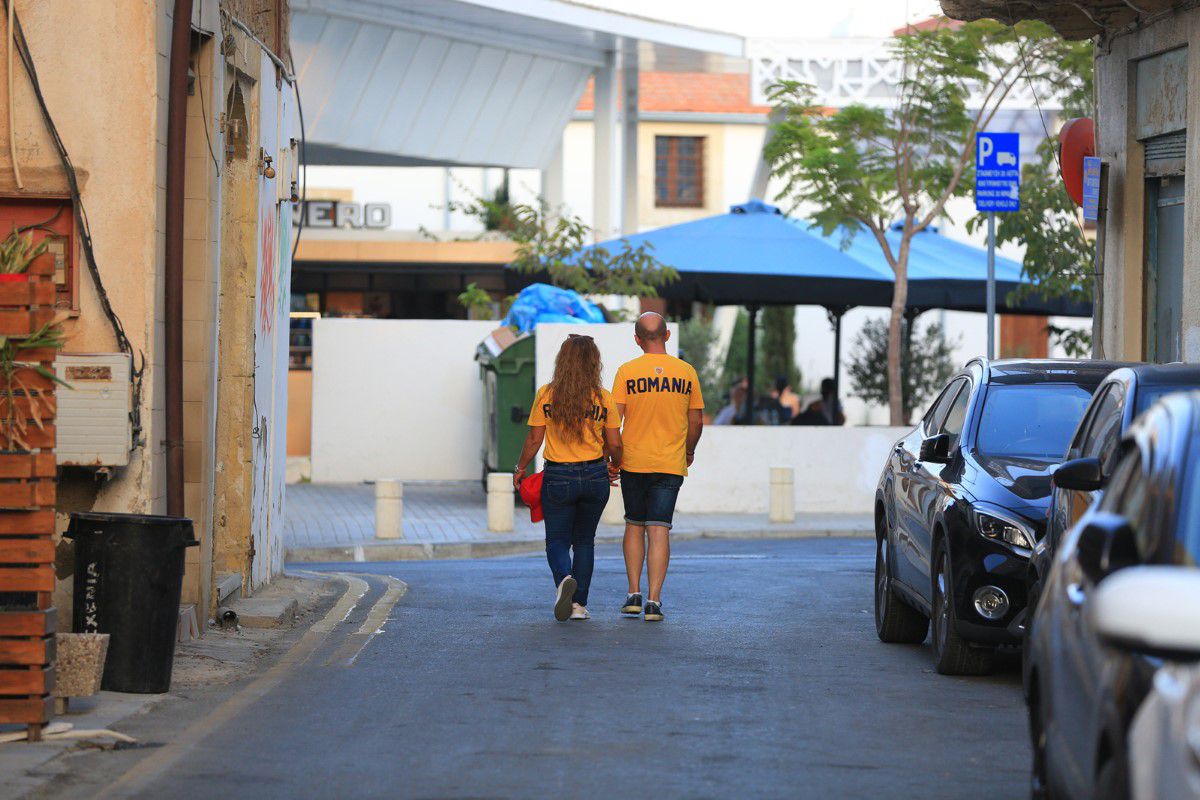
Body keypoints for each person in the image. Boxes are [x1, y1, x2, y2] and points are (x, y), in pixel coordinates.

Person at [514, 335, 622, 622]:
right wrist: (614, 465)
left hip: (558, 476)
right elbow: (615, 443)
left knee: (557, 541)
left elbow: (535, 437)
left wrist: (520, 467)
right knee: (585, 541)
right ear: (594, 362)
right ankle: (579, 606)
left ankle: (564, 578)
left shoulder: (547, 394)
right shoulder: (604, 397)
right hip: (596, 475)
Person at [612, 312, 704, 622]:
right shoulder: (686, 372)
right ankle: (654, 601)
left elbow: (614, 421)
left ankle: (633, 594)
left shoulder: (626, 372)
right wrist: (688, 450)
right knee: (659, 528)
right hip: (669, 462)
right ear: (667, 336)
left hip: (633, 461)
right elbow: (696, 420)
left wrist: (611, 456)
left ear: (636, 339)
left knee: (634, 525)